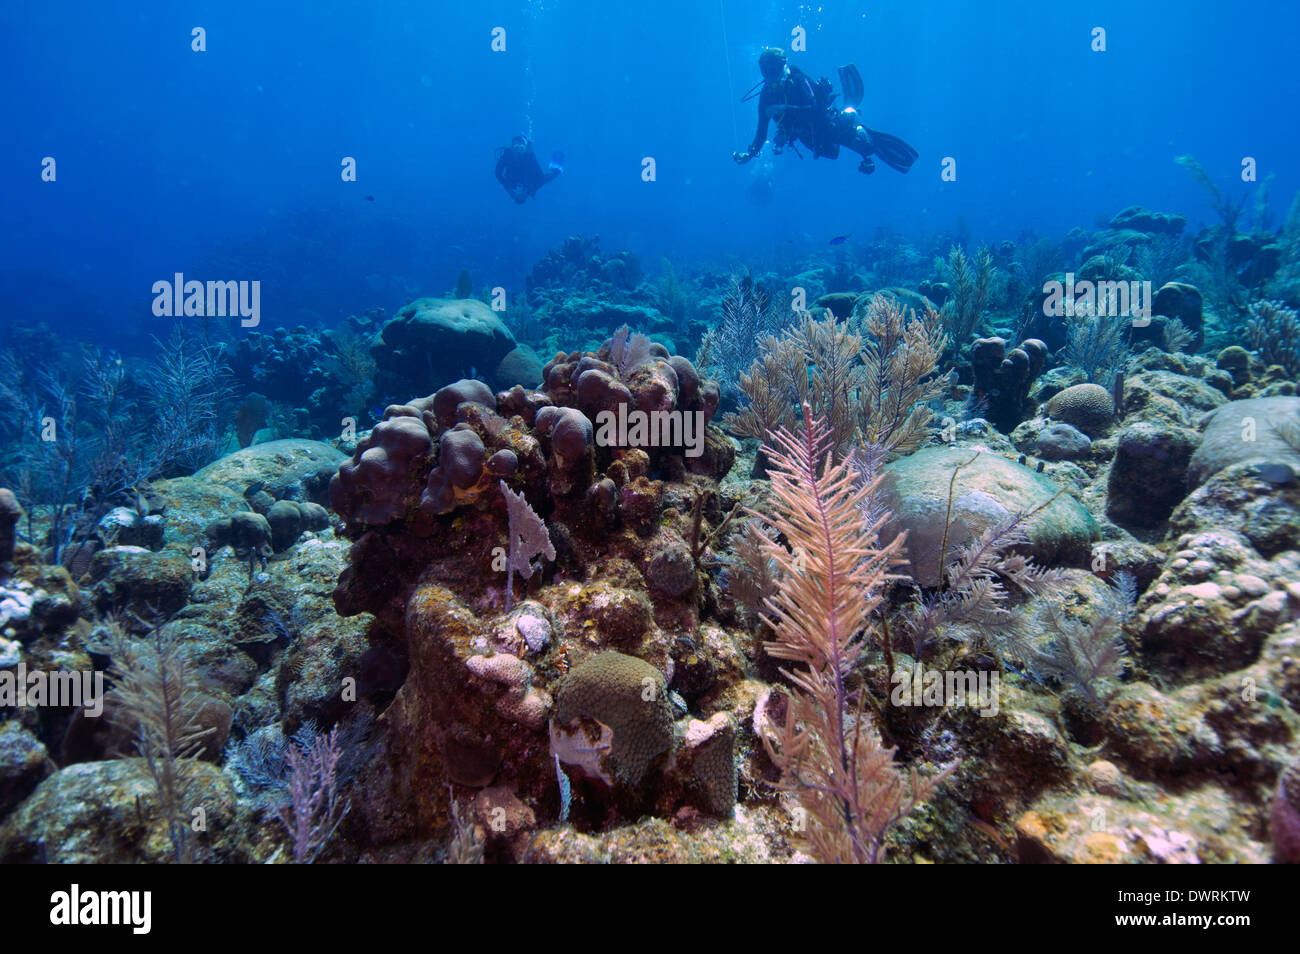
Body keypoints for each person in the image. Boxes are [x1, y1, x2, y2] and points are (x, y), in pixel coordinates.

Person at [732, 48, 917, 175]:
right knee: (830, 152)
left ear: (783, 65)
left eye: (774, 69)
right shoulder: (766, 95)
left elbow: (815, 109)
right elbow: (761, 131)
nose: (770, 76)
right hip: (807, 136)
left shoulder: (797, 80)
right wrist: (750, 154)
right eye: (765, 71)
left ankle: (853, 119)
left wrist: (784, 108)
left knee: (864, 146)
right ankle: (858, 134)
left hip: (826, 123)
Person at [495, 134, 563, 203]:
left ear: (525, 149)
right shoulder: (507, 156)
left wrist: (527, 193)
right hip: (512, 178)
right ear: (512, 148)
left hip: (528, 179)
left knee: (544, 179)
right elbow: (497, 173)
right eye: (516, 147)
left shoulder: (529, 157)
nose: (518, 150)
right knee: (516, 191)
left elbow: (540, 178)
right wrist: (510, 191)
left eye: (521, 147)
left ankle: (556, 170)